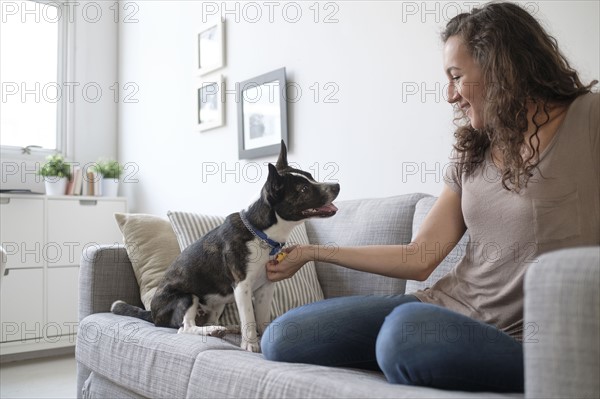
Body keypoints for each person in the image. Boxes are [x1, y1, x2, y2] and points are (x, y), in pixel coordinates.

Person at [260, 1, 599, 393]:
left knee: (403, 336)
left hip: (526, 340)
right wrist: (311, 253)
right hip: (442, 308)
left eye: (456, 76)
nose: (450, 95)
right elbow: (420, 257)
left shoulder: (588, 119)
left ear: (501, 68)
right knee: (283, 335)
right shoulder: (474, 148)